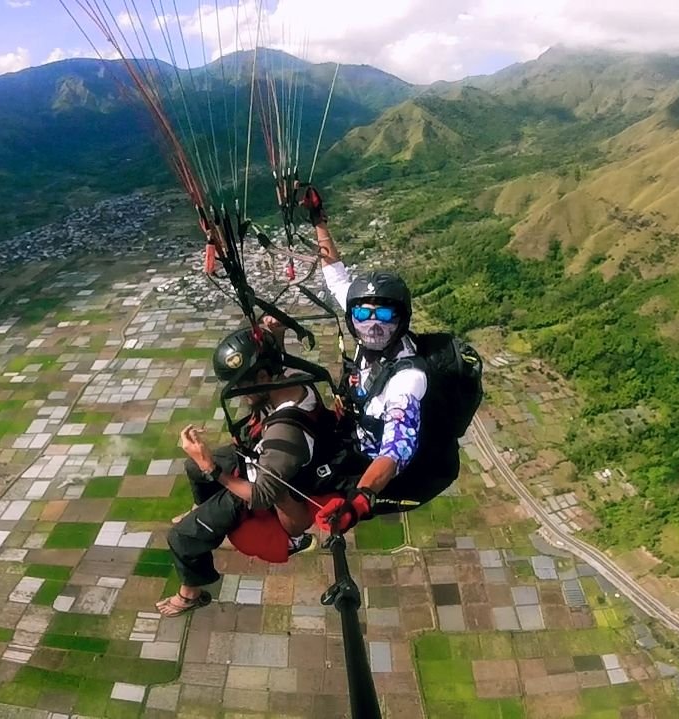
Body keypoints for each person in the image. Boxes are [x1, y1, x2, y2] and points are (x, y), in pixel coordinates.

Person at [301, 190, 465, 533]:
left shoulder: (408, 379)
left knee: (303, 484)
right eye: (363, 314)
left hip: (381, 470)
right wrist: (319, 223)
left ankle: (289, 535)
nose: (373, 324)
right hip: (357, 435)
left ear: (401, 318)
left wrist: (360, 501)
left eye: (385, 315)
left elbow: (397, 446)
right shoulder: (366, 325)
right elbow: (337, 277)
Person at [156, 327, 337, 617]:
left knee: (181, 537)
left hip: (264, 484)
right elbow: (274, 354)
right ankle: (200, 507)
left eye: (243, 388)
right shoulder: (287, 378)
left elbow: (263, 495)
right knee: (193, 468)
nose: (241, 396)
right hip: (257, 458)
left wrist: (212, 468)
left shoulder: (285, 432)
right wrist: (273, 332)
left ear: (263, 378)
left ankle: (191, 593)